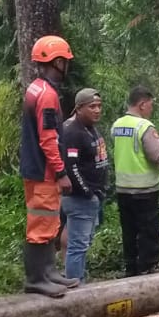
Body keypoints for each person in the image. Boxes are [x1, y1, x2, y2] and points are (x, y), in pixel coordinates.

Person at [19, 36, 81, 297]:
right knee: (41, 224)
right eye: (65, 61)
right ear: (56, 62)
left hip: (37, 168)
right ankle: (36, 278)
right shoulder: (47, 95)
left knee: (49, 221)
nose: (67, 66)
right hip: (43, 171)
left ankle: (49, 272)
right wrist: (61, 173)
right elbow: (48, 139)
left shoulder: (35, 88)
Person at [111, 86, 159, 276]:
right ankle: (147, 268)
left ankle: (131, 267)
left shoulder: (117, 125)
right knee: (148, 231)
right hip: (144, 190)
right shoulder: (144, 127)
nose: (151, 109)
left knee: (129, 231)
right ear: (142, 104)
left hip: (123, 188)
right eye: (150, 105)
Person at [59, 88, 110, 283]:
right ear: (79, 108)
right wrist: (87, 192)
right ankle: (74, 285)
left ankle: (77, 279)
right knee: (77, 245)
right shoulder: (72, 131)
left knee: (83, 242)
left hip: (93, 197)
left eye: (99, 106)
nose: (97, 110)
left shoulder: (89, 127)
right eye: (92, 107)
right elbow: (70, 167)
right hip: (80, 199)